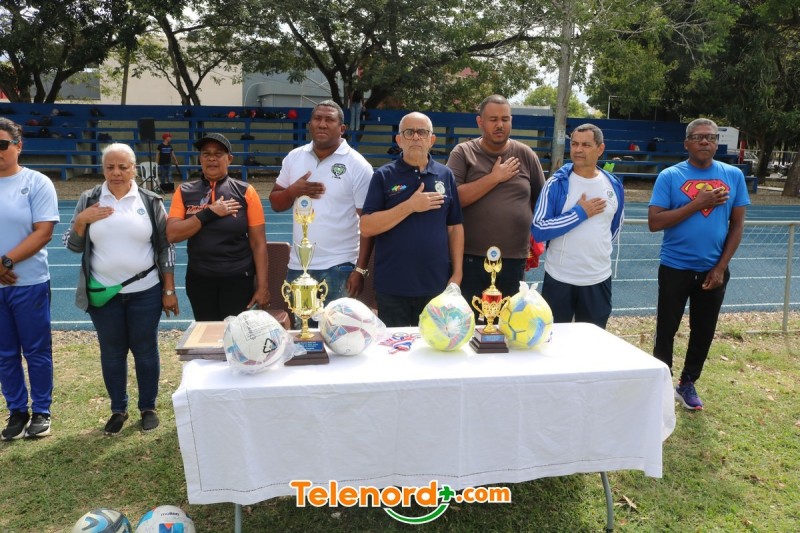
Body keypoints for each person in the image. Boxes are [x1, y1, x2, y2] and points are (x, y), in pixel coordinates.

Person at [64, 143, 176, 435]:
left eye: (123, 167)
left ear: (134, 169)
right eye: (110, 167)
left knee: (145, 350)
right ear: (103, 169)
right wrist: (81, 220)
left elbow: (166, 246)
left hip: (145, 291)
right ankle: (118, 409)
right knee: (112, 352)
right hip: (103, 294)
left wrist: (168, 289)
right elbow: (72, 245)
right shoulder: (89, 199)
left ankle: (148, 407)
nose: (116, 172)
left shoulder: (150, 200)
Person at [648, 118, 750, 411]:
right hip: (675, 267)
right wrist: (698, 203)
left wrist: (720, 267)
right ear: (686, 143)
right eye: (698, 137)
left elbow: (737, 225)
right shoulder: (669, 176)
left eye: (711, 137)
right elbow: (655, 222)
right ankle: (661, 383)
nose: (705, 141)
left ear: (717, 143)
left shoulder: (733, 175)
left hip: (713, 269)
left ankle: (687, 383)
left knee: (703, 331)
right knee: (666, 329)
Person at [360, 112, 464, 327]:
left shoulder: (445, 175)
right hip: (392, 286)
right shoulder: (383, 176)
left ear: (432, 139)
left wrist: (457, 273)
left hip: (436, 285)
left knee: (433, 344)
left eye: (422, 132)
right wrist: (410, 206)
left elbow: (454, 227)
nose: (416, 137)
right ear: (399, 140)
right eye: (409, 132)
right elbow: (367, 226)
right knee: (394, 345)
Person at [269, 100, 374, 308]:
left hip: (340, 266)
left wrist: (360, 270)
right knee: (303, 326)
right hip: (299, 266)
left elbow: (368, 224)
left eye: (329, 120)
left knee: (336, 327)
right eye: (317, 119)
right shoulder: (294, 157)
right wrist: (293, 191)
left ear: (342, 128)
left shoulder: (358, 165)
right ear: (310, 124)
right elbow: (276, 204)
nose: (322, 124)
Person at [446, 94, 546, 312]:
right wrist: (494, 178)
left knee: (508, 324)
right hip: (469, 258)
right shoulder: (463, 153)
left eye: (505, 119)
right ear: (480, 122)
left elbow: (541, 202)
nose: (500, 125)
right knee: (468, 322)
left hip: (513, 259)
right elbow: (452, 200)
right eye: (493, 119)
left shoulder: (526, 155)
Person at [167, 132, 269, 321]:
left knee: (235, 332)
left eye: (218, 154)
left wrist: (263, 286)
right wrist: (209, 213)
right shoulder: (184, 191)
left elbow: (258, 243)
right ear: (200, 159)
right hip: (200, 279)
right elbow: (173, 234)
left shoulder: (246, 191)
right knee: (206, 331)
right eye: (206, 154)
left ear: (229, 159)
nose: (212, 158)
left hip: (238, 278)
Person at [0, 117, 59, 441]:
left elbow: (43, 232)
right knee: (4, 353)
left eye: (2, 144)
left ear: (18, 146)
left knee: (36, 350)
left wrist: (5, 262)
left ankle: (41, 411)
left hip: (29, 283)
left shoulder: (37, 182)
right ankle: (16, 411)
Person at [531, 123, 624, 329]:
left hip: (598, 279)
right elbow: (538, 229)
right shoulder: (556, 183)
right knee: (554, 340)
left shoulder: (613, 184)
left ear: (600, 149)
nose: (578, 150)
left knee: (593, 342)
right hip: (560, 279)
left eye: (586, 145)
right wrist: (579, 214)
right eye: (574, 144)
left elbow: (614, 227)